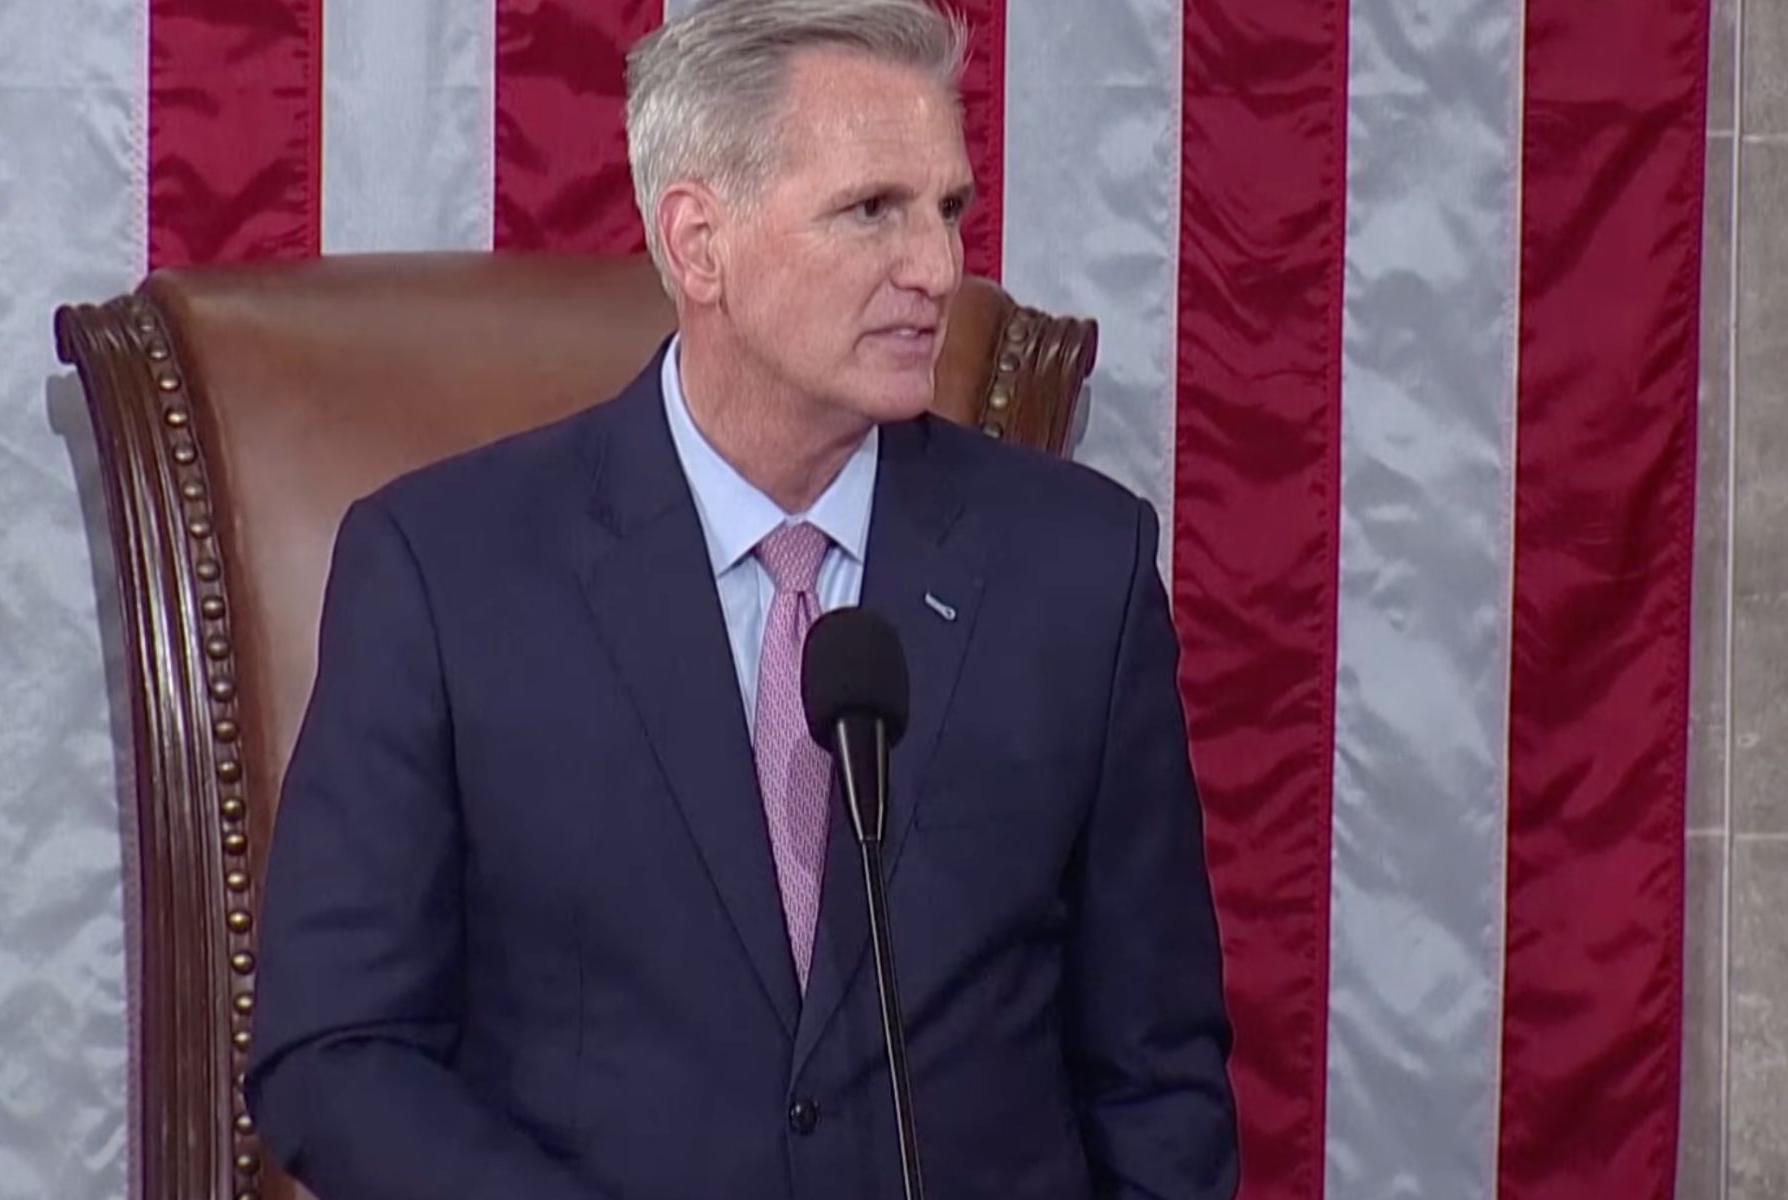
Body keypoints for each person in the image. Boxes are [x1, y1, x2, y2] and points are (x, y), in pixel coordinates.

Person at [245, 1, 1239, 1196]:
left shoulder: (1080, 572)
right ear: (700, 241)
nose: (935, 267)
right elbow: (337, 1053)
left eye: (947, 209)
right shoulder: (446, 571)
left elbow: (1156, 1077)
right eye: (872, 209)